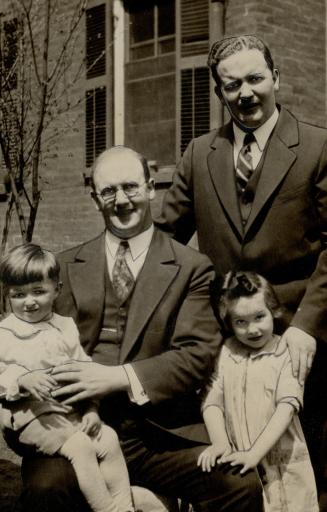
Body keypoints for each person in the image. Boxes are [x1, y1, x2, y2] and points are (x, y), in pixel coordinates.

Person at [12, 146, 263, 512]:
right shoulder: (64, 267)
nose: (122, 200)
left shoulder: (191, 267)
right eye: (109, 191)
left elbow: (196, 354)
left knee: (236, 486)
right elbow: (31, 338)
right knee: (47, 488)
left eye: (130, 187)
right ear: (95, 198)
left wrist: (118, 377)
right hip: (77, 427)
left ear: (151, 188)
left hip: (159, 435)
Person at [156, 34, 327, 493]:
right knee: (237, 473)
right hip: (228, 346)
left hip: (298, 338)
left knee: (308, 469)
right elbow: (164, 240)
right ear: (219, 93)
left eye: (255, 79)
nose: (245, 93)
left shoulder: (317, 147)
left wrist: (307, 325)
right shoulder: (198, 154)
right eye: (232, 85)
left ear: (277, 79)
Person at [0, 243, 136, 512]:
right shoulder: (6, 332)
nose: (29, 301)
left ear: (56, 290)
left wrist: (91, 408)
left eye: (39, 292)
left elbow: (81, 368)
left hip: (66, 410)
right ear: (7, 295)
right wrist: (22, 379)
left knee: (107, 438)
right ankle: (106, 508)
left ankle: (124, 505)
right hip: (28, 417)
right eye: (18, 294)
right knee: (80, 446)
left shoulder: (64, 326)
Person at [198, 271, 319, 511]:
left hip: (281, 463)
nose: (252, 329)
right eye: (241, 322)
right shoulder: (227, 352)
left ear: (273, 310)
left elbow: (287, 407)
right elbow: (212, 400)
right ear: (229, 323)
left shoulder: (285, 351)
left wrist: (255, 453)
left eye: (259, 317)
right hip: (241, 458)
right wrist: (220, 442)